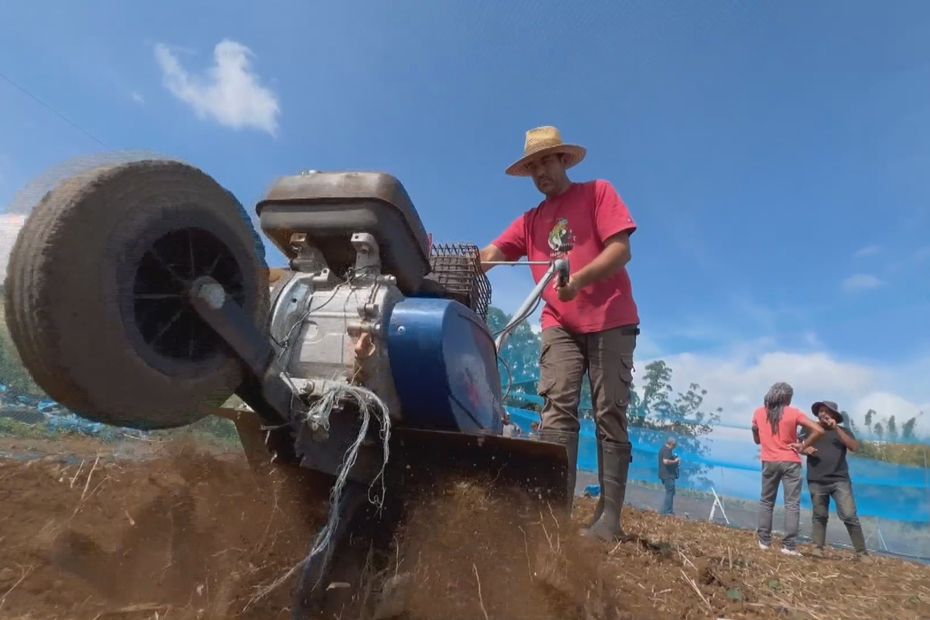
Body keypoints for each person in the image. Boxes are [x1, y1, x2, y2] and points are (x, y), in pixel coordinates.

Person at [481, 126, 640, 542]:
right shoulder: (530, 221)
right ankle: (553, 514)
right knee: (556, 409)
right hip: (560, 324)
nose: (539, 172)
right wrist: (451, 264)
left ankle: (609, 520)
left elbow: (621, 249)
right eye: (532, 166)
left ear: (563, 161)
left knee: (609, 412)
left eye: (546, 161)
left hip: (611, 317)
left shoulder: (597, 193)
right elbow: (492, 255)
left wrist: (580, 280)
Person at [751, 382, 824, 556]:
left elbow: (757, 440)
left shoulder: (759, 413)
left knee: (766, 501)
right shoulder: (793, 413)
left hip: (769, 461)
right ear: (787, 397)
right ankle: (789, 546)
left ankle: (764, 542)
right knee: (792, 504)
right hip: (790, 461)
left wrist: (756, 430)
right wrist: (803, 445)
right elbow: (819, 430)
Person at [800, 400, 870, 560]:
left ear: (834, 415)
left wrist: (836, 429)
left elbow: (854, 447)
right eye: (821, 411)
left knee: (849, 515)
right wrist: (805, 449)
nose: (823, 413)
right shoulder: (809, 428)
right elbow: (797, 445)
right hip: (816, 479)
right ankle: (817, 549)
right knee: (819, 515)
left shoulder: (843, 431)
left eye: (827, 411)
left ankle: (862, 553)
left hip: (840, 480)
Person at [658, 437, 680, 515]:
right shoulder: (666, 450)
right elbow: (666, 461)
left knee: (671, 492)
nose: (674, 447)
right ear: (671, 444)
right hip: (667, 475)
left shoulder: (664, 449)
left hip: (667, 474)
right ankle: (666, 511)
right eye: (674, 445)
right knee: (669, 492)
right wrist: (675, 461)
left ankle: (667, 510)